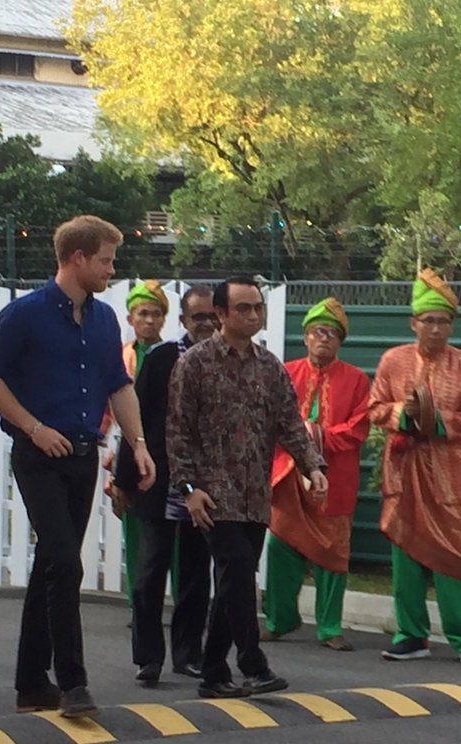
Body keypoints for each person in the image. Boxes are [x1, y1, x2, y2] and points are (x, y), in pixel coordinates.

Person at [0, 214, 155, 719]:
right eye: (105, 260)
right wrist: (32, 427)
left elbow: (119, 385)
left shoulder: (102, 319)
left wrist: (137, 444)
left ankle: (32, 682)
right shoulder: (26, 314)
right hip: (38, 455)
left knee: (52, 565)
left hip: (83, 456)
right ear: (77, 258)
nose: (110, 270)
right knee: (65, 560)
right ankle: (73, 683)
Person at [167, 276, 327, 698]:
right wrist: (188, 487)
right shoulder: (194, 364)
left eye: (257, 307)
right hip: (212, 495)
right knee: (237, 569)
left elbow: (290, 424)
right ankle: (252, 662)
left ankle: (214, 672)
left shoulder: (269, 366)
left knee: (235, 578)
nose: (253, 315)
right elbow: (178, 433)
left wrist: (313, 466)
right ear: (220, 314)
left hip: (255, 493)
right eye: (243, 308)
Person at [368, 269, 461, 665]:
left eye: (443, 321)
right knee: (405, 552)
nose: (435, 329)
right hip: (403, 472)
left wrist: (436, 422)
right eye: (428, 321)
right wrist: (405, 415)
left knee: (456, 553)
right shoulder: (393, 360)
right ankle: (411, 635)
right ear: (413, 322)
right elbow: (375, 408)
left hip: (449, 476)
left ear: (451, 325)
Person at [114, 285, 218, 685]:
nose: (206, 324)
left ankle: (188, 654)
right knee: (149, 572)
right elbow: (134, 423)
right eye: (198, 318)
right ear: (183, 322)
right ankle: (148, 658)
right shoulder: (161, 359)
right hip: (158, 479)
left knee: (195, 572)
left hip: (205, 484)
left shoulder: (226, 362)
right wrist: (125, 479)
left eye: (212, 316)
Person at [262, 298, 370, 651]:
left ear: (340, 342)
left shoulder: (356, 380)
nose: (324, 338)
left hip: (335, 478)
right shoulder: (286, 372)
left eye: (332, 334)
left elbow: (359, 427)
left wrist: (318, 436)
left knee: (333, 552)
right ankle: (279, 620)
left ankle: (329, 628)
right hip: (288, 476)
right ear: (306, 337)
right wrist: (298, 441)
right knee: (280, 545)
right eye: (317, 332)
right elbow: (269, 419)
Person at [106, 280, 168, 609]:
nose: (149, 320)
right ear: (130, 319)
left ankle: (160, 600)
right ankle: (139, 602)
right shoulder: (120, 356)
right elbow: (106, 403)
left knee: (163, 531)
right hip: (126, 451)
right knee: (132, 526)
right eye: (143, 313)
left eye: (156, 314)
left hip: (162, 453)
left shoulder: (172, 355)